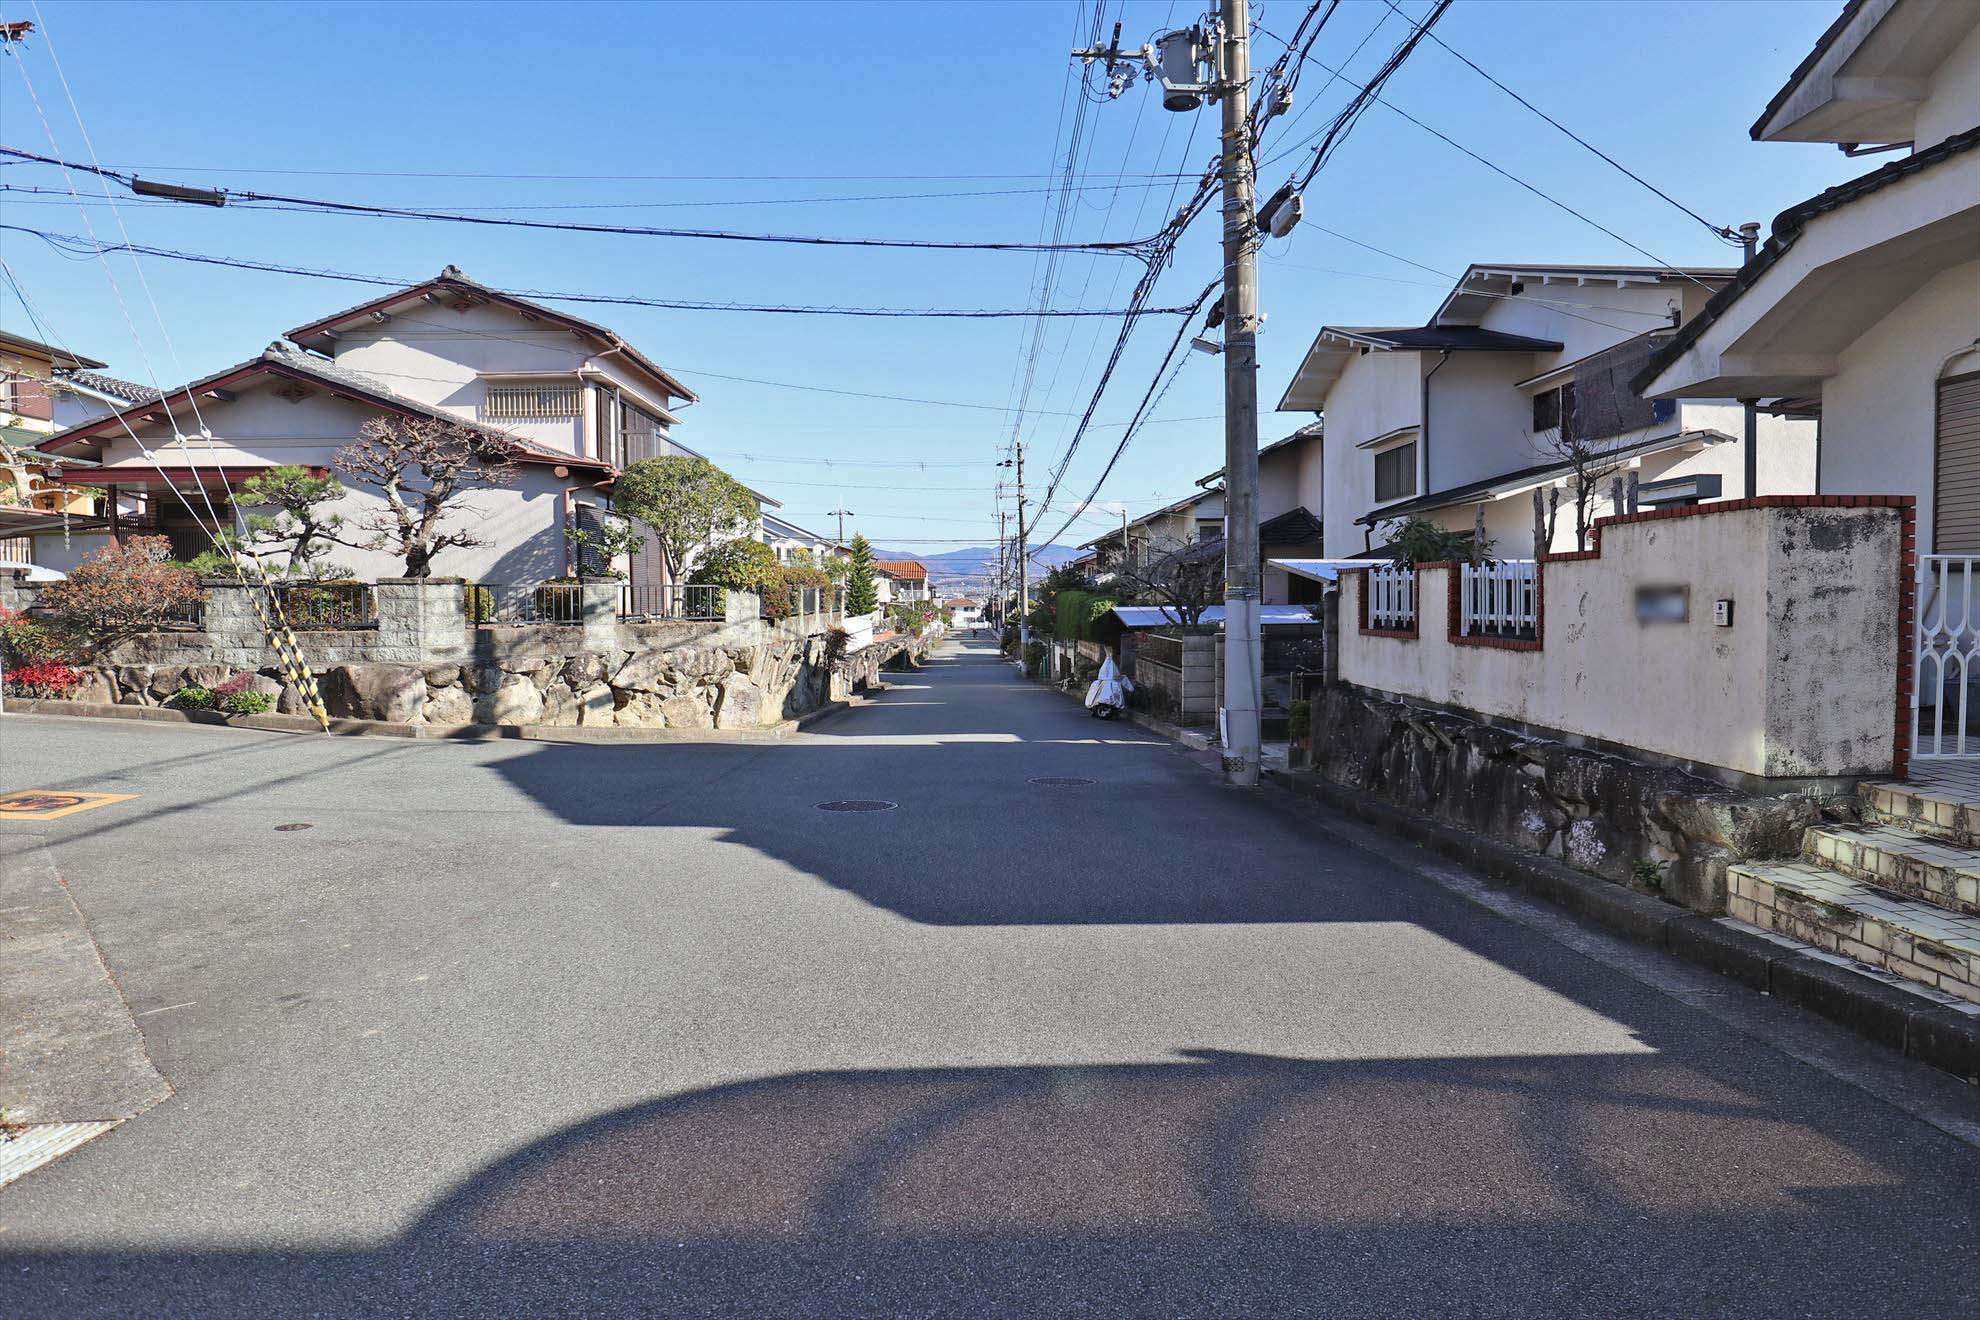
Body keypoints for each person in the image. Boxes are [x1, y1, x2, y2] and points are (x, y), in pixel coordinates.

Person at [1085, 645, 1132, 715]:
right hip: (1107, 691)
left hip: (1104, 689)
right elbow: (1121, 678)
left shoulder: (1099, 682)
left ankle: (1096, 709)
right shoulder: (1113, 682)